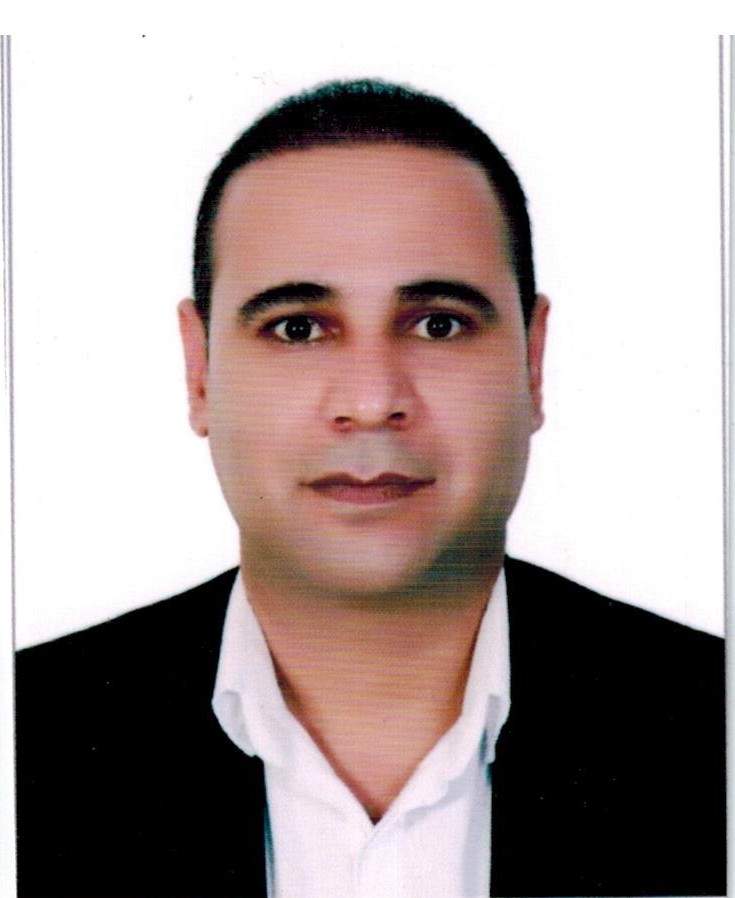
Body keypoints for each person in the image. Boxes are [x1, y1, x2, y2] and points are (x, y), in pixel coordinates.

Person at [15, 79, 725, 898]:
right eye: (296, 328)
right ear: (200, 370)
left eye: (438, 324)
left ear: (532, 365)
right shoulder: (23, 739)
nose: (370, 399)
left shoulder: (716, 727)